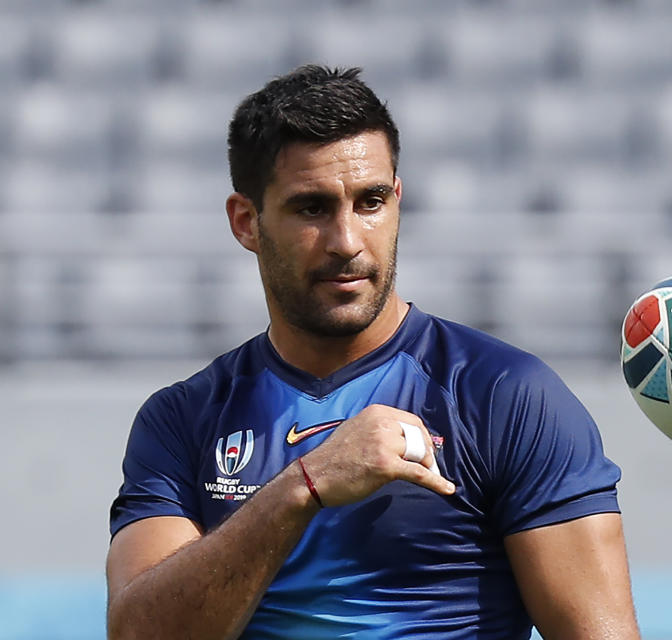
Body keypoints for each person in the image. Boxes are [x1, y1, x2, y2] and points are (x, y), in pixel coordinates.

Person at [106, 64, 641, 639]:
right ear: (246, 222)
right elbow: (140, 634)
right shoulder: (184, 418)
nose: (347, 241)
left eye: (371, 201)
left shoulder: (506, 396)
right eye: (311, 208)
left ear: (398, 201)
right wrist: (303, 487)